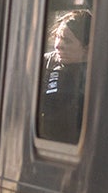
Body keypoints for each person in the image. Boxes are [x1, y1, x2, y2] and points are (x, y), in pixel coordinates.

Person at [37, 9, 92, 144]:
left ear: (87, 47)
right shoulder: (44, 62)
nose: (58, 45)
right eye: (57, 37)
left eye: (66, 40)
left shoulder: (97, 74)